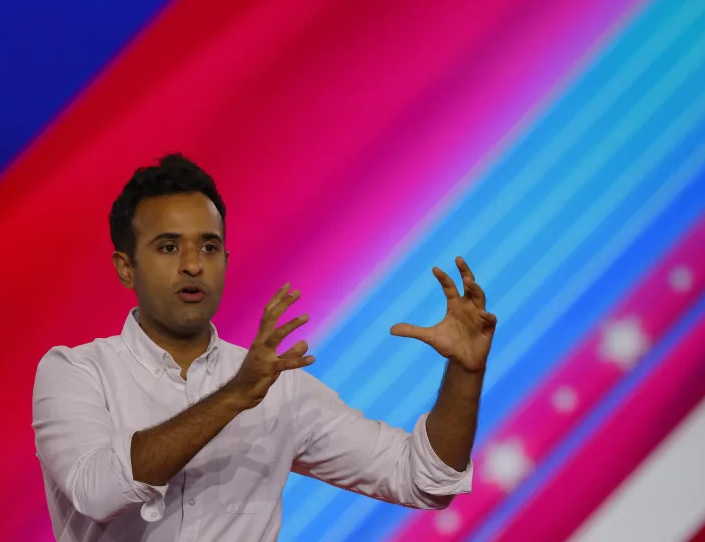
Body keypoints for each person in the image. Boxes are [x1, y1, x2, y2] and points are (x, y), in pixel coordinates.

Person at [32, 153, 498, 541]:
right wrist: (235, 396)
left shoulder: (276, 385)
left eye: (209, 247)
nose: (193, 265)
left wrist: (465, 373)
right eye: (169, 247)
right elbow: (97, 492)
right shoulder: (76, 372)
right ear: (126, 267)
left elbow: (423, 480)